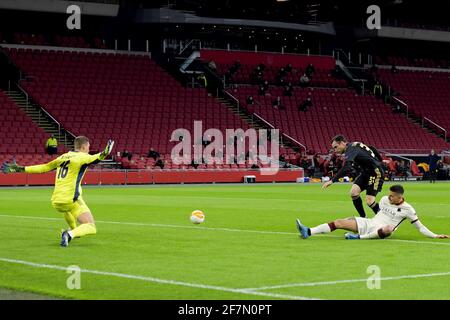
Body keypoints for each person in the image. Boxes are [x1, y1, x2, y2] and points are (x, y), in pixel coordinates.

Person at [1, 136, 115, 247]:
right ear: (84, 147)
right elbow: (98, 157)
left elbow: (44, 167)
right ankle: (70, 234)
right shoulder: (82, 157)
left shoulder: (62, 157)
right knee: (91, 226)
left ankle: (73, 229)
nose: (89, 149)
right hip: (70, 199)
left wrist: (21, 168)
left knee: (68, 209)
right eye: (88, 146)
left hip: (56, 201)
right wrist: (106, 151)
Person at [296, 185, 449, 240]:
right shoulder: (383, 199)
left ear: (400, 197)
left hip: (381, 231)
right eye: (388, 194)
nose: (388, 197)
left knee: (389, 228)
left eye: (392, 196)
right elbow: (378, 213)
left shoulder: (408, 209)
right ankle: (308, 231)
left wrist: (435, 235)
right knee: (339, 222)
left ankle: (359, 238)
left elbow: (420, 227)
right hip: (370, 223)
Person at [322, 135, 384, 218]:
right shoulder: (354, 145)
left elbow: (347, 167)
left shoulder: (351, 149)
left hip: (375, 173)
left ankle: (385, 219)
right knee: (354, 193)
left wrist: (332, 180)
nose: (335, 150)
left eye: (336, 147)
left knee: (369, 201)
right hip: (365, 173)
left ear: (342, 143)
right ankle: (363, 218)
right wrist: (380, 160)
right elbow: (371, 147)